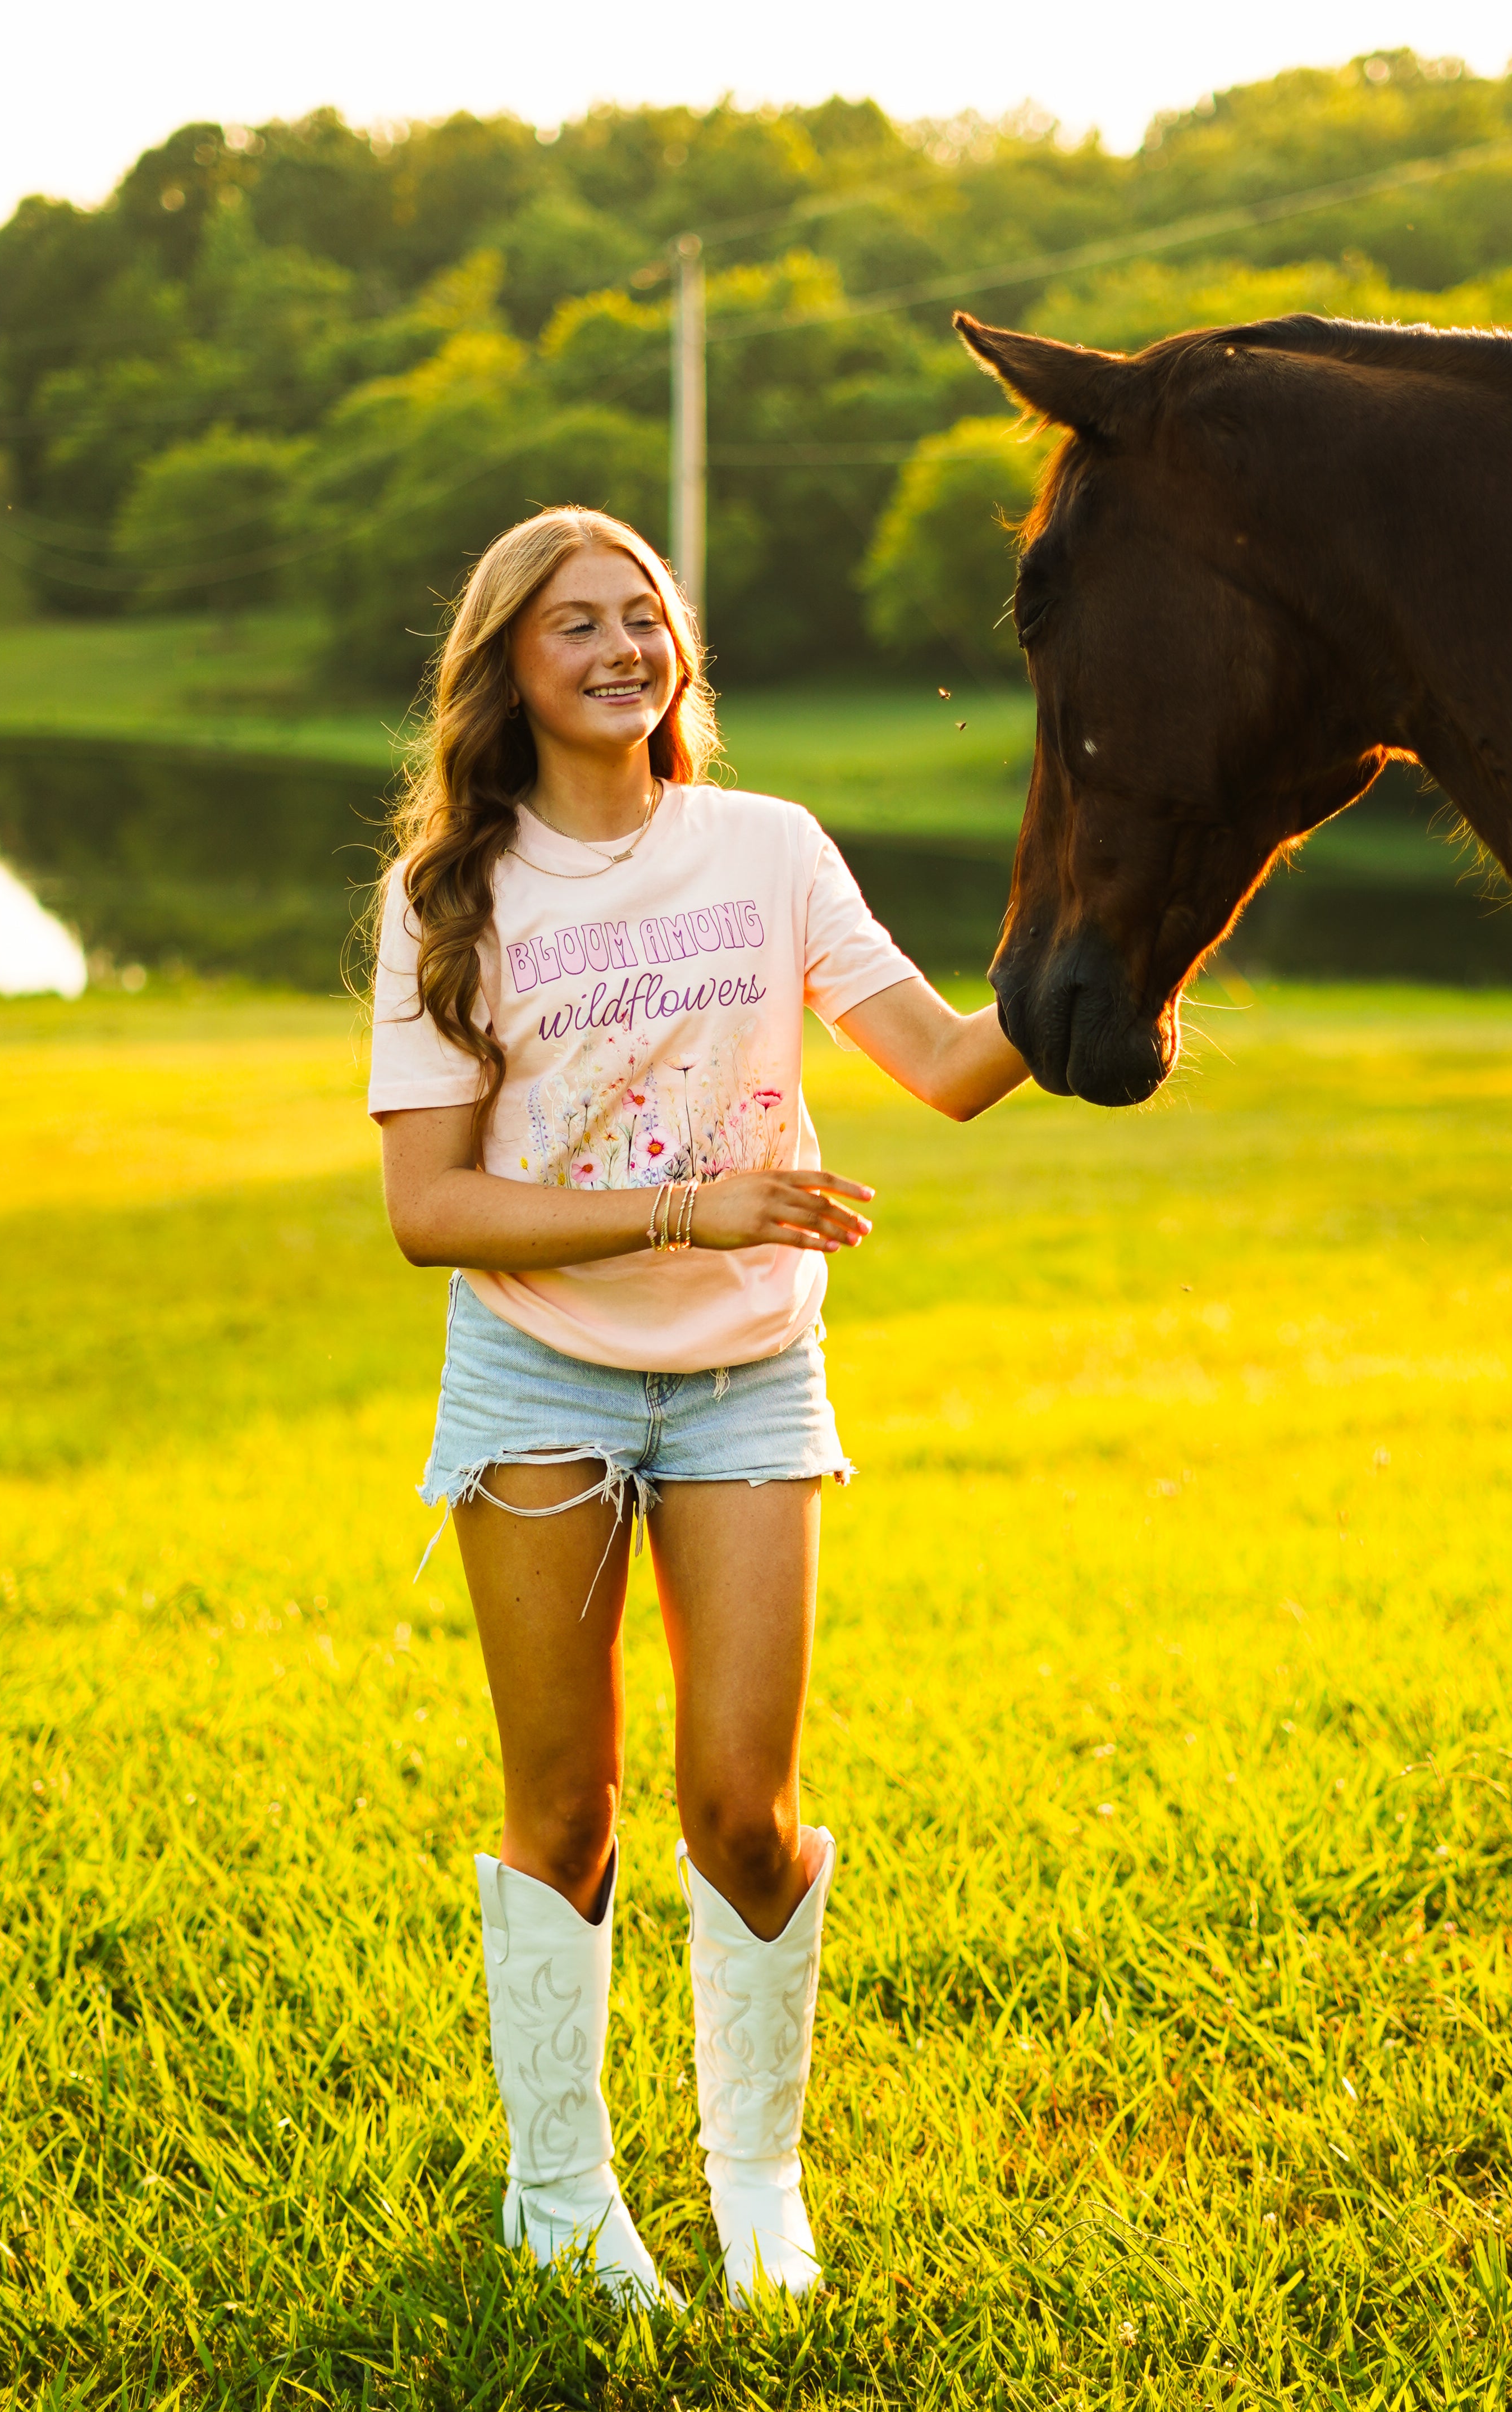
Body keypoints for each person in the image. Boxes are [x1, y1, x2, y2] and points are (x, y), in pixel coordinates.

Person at [367, 505, 1026, 2306]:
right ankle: (561, 2194)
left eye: (643, 615)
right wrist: (688, 1206)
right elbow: (430, 1207)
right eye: (576, 623)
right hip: (539, 1375)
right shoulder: (452, 896)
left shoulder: (766, 848)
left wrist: (1103, 975)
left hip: (745, 1377)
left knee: (745, 1804)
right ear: (508, 664)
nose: (622, 649)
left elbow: (948, 1062)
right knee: (565, 1804)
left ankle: (758, 2184)